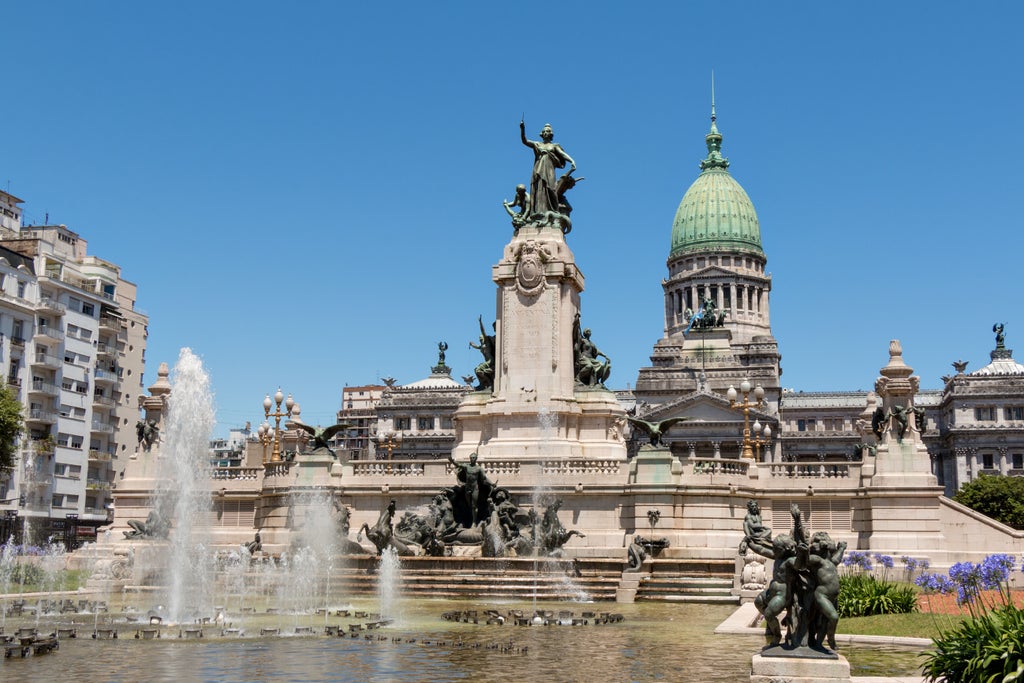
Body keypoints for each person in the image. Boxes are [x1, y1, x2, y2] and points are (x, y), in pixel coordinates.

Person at [520, 120, 576, 215]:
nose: (545, 133)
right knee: (538, 189)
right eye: (544, 131)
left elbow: (562, 154)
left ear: (550, 134)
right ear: (542, 134)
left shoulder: (554, 146)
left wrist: (571, 160)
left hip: (549, 171)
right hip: (538, 169)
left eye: (547, 131)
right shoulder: (537, 144)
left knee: (550, 189)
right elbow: (524, 141)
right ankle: (538, 212)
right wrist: (522, 129)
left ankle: (551, 210)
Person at [447, 452, 493, 526]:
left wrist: (491, 483)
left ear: (476, 459)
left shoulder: (479, 469)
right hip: (467, 488)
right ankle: (468, 517)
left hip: (475, 488)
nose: (472, 459)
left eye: (473, 458)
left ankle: (474, 522)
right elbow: (458, 465)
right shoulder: (467, 467)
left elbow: (484, 478)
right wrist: (452, 461)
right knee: (468, 505)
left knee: (474, 505)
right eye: (471, 458)